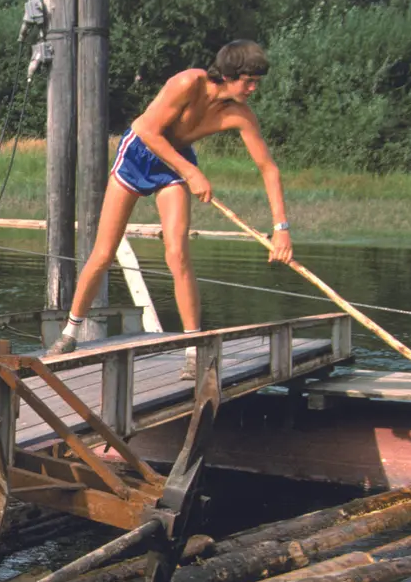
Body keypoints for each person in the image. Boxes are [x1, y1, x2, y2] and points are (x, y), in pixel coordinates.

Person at [48, 40, 294, 357]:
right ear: (230, 74)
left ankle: (193, 349)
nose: (252, 89)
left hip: (174, 163)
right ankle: (69, 333)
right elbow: (145, 129)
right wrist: (191, 173)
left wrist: (281, 227)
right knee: (103, 253)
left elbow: (268, 169)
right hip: (137, 155)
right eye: (248, 81)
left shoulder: (240, 114)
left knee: (177, 253)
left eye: (256, 83)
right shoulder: (187, 82)